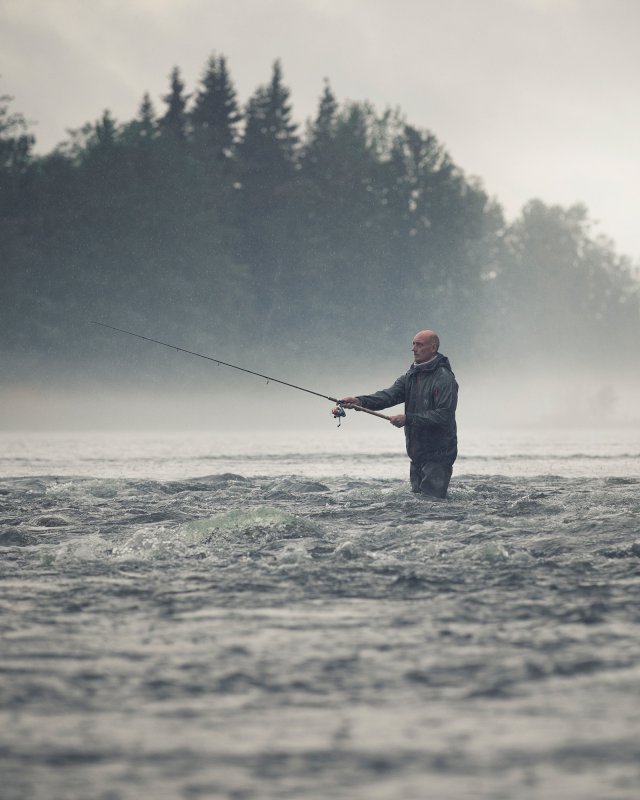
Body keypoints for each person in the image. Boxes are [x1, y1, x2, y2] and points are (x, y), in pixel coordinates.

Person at [341, 330, 458, 498]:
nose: (413, 349)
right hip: (417, 452)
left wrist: (408, 419)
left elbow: (444, 415)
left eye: (419, 344)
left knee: (432, 507)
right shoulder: (411, 376)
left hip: (439, 454)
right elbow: (388, 396)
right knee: (419, 504)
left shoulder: (444, 378)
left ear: (433, 348)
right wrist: (359, 401)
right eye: (413, 344)